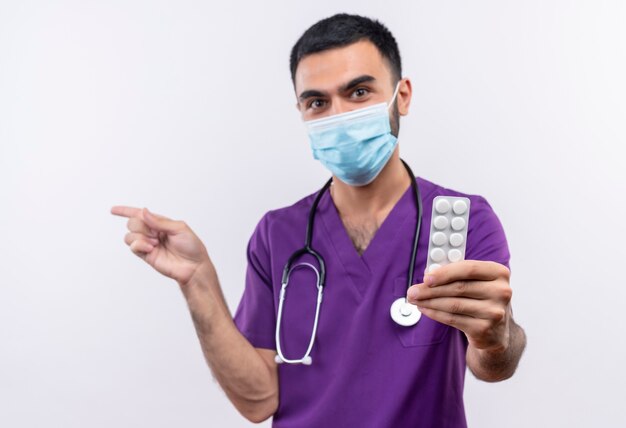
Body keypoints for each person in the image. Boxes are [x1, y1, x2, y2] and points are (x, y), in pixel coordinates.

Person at [111, 13, 526, 427]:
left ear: (402, 96)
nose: (339, 117)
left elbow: (494, 365)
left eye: (359, 92)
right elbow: (258, 402)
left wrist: (496, 335)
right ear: (301, 111)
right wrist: (197, 279)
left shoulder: (461, 221)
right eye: (317, 102)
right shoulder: (277, 234)